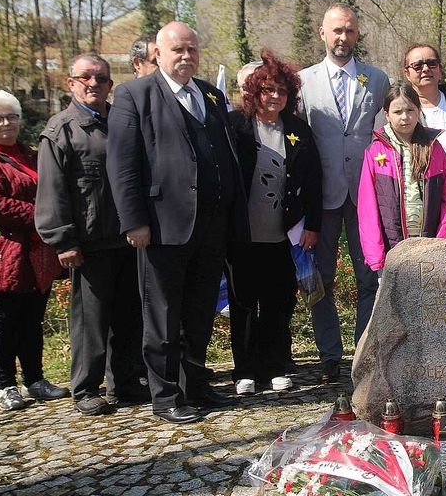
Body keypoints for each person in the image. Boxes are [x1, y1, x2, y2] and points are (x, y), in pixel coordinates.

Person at [107, 21, 247, 424]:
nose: (186, 56)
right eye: (177, 50)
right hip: (162, 226)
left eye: (192, 49)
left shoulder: (210, 94)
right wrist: (133, 221)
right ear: (158, 54)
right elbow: (122, 165)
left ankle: (195, 386)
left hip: (212, 224)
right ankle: (165, 395)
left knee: (200, 311)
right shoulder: (134, 95)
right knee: (163, 314)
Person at [35, 54, 147, 416]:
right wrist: (63, 241)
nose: (93, 84)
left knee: (128, 318)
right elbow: (52, 191)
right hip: (89, 243)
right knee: (91, 323)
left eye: (101, 78)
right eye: (86, 77)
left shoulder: (122, 121)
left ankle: (124, 383)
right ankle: (85, 388)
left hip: (127, 238)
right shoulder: (61, 130)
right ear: (71, 83)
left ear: (110, 84)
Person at [298, 4, 389, 383]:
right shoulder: (303, 82)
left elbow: (385, 135)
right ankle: (329, 356)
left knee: (369, 277)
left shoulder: (377, 79)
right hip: (321, 197)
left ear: (357, 34)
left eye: (350, 30)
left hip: (366, 196)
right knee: (321, 278)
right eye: (337, 30)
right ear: (322, 32)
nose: (343, 37)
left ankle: (363, 353)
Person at [228, 49, 322, 396]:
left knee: (278, 302)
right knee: (243, 304)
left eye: (282, 90)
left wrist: (313, 225)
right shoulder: (235, 126)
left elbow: (313, 180)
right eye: (268, 89)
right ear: (254, 92)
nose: (275, 96)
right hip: (241, 233)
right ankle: (244, 371)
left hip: (284, 234)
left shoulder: (298, 129)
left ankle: (276, 366)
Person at [0, 91, 66, 412]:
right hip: (7, 251)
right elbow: (0, 205)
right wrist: (43, 215)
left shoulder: (32, 154)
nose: (6, 123)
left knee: (32, 318)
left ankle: (35, 379)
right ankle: (4, 385)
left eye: (11, 117)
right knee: (4, 321)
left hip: (40, 251)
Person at [358, 81, 446, 271]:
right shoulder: (375, 152)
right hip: (392, 248)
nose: (405, 117)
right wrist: (376, 256)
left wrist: (443, 240)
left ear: (419, 111)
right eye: (397, 112)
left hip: (430, 245)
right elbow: (367, 208)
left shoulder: (433, 148)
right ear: (387, 115)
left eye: (410, 110)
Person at [401, 44, 446, 163]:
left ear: (440, 69)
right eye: (417, 66)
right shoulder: (397, 111)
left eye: (432, 63)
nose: (426, 69)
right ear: (407, 74)